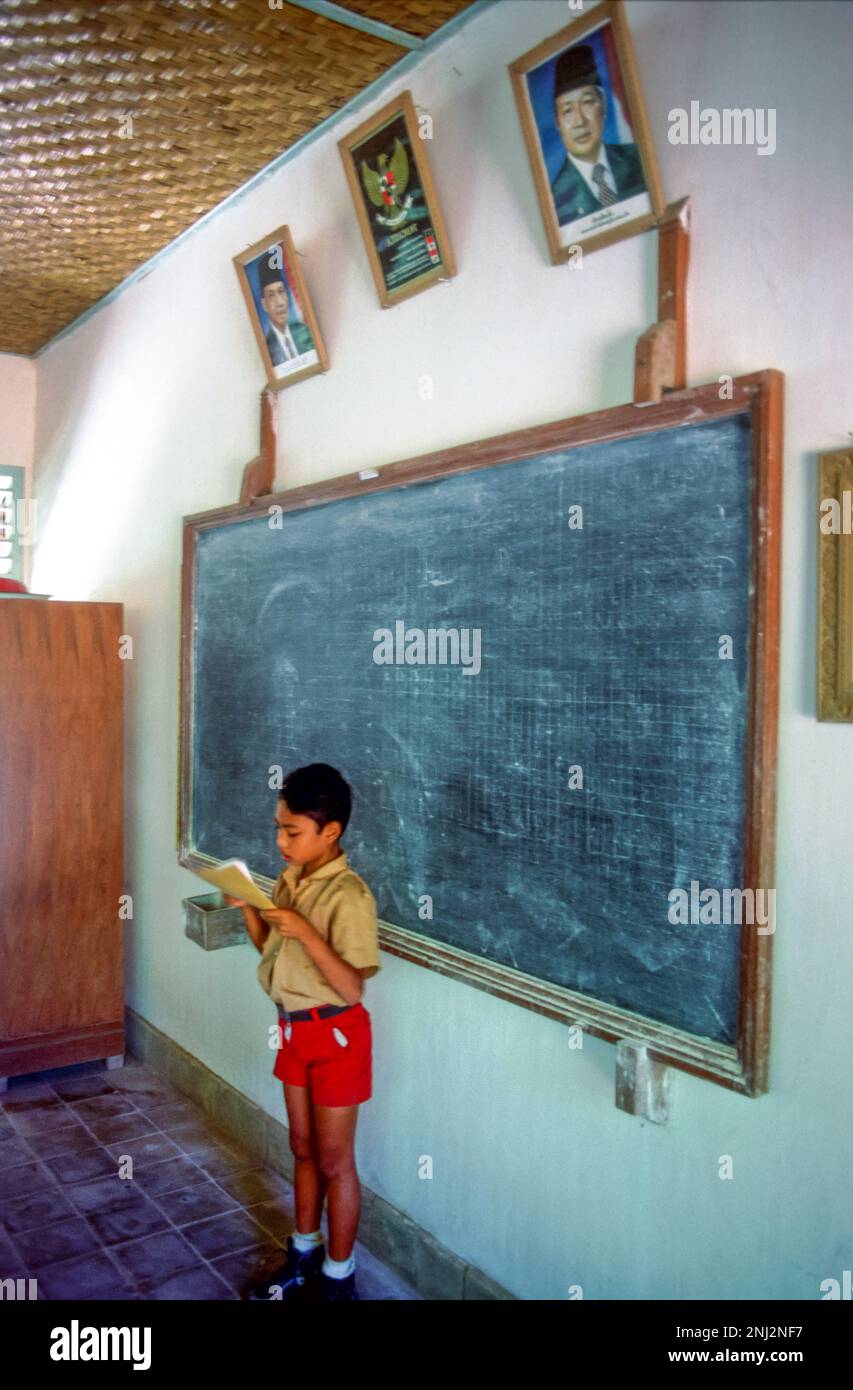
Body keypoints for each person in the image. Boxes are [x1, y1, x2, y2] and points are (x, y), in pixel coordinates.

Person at [226, 763, 380, 1302]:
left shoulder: (349, 896)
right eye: (278, 828)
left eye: (292, 832)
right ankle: (303, 1251)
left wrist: (310, 934)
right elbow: (272, 952)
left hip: (337, 1036)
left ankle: (340, 1277)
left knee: (336, 1159)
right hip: (292, 1031)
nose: (280, 841)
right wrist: (251, 910)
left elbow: (352, 988)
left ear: (330, 832)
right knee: (302, 1146)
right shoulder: (288, 881)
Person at [548, 43, 646, 225]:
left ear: (603, 106)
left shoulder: (639, 160)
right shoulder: (554, 202)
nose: (580, 121)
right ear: (557, 123)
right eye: (568, 111)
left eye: (587, 102)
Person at [256, 256, 315, 367]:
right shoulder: (267, 350)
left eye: (281, 291)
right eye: (271, 295)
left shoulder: (305, 333)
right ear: (264, 304)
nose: (280, 303)